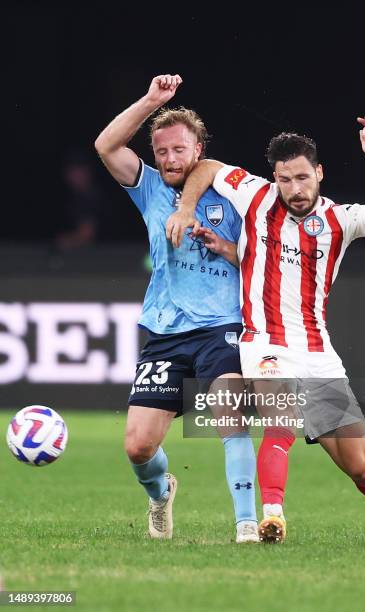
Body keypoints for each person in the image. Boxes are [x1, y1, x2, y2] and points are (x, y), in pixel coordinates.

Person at [166, 115, 365, 543]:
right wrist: (186, 208)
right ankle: (273, 517)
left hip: (318, 353)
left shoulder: (341, 220)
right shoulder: (255, 196)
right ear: (275, 178)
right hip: (263, 344)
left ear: (319, 173)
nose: (295, 188)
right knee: (280, 423)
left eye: (303, 177)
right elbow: (207, 167)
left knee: (360, 464)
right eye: (285, 179)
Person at [95, 74, 258, 543]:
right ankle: (161, 490)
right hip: (166, 331)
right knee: (138, 447)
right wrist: (150, 100)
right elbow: (106, 146)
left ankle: (247, 523)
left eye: (179, 150)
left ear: (199, 149)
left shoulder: (233, 193)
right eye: (162, 151)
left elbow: (257, 255)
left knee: (230, 415)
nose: (169, 159)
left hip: (222, 326)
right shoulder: (148, 189)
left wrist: (226, 246)